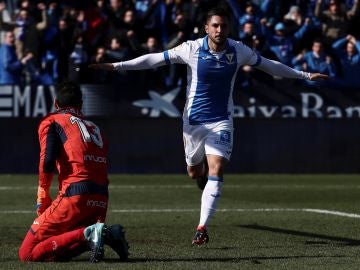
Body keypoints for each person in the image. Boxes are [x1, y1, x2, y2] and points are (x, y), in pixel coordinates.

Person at [89, 6, 328, 246]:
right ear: (206, 28)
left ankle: (201, 227)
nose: (219, 30)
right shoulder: (191, 48)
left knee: (217, 168)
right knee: (194, 171)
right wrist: (117, 66)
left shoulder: (238, 50)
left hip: (221, 120)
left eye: (223, 26)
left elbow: (268, 65)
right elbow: (154, 60)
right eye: (215, 25)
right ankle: (201, 176)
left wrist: (305, 75)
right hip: (192, 122)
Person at [18, 81, 129, 262]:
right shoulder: (95, 126)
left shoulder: (52, 120)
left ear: (56, 103)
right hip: (100, 198)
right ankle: (107, 235)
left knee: (28, 253)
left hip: (75, 196)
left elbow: (47, 161)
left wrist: (42, 193)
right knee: (55, 255)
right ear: (81, 104)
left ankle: (91, 232)